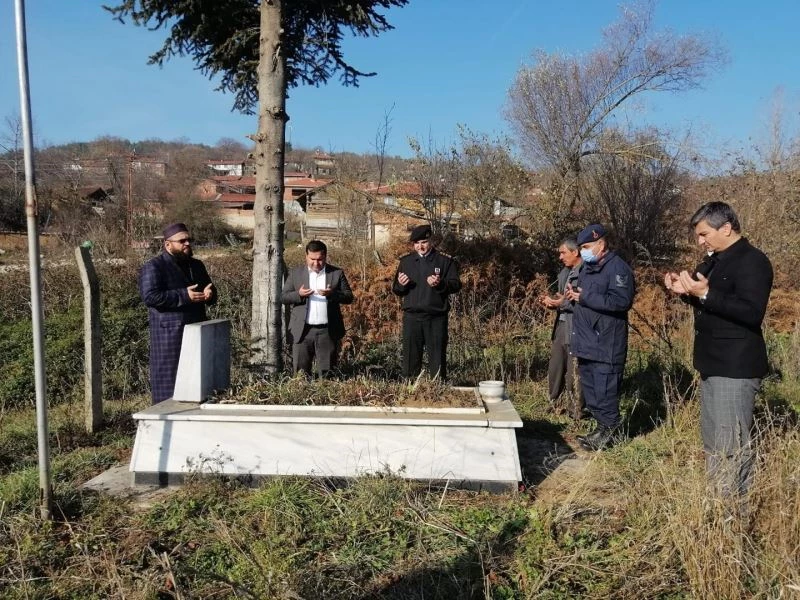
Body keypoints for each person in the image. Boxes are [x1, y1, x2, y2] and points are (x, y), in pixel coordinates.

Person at [664, 201, 773, 496]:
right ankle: (716, 501)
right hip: (710, 363)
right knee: (713, 442)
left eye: (704, 234)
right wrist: (684, 292)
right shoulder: (714, 261)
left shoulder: (753, 261)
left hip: (734, 367)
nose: (700, 242)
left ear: (726, 227)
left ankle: (733, 511)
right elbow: (707, 302)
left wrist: (706, 292)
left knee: (731, 445)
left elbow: (751, 312)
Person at [566, 224, 635, 451]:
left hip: (606, 343)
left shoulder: (618, 269)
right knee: (592, 391)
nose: (583, 251)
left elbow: (621, 301)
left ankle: (611, 433)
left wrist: (585, 296)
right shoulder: (587, 268)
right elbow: (585, 298)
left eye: (586, 247)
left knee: (606, 391)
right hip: (586, 341)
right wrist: (575, 295)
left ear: (601, 245)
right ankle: (600, 429)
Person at [139, 222, 217, 404]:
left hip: (197, 331)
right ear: (168, 244)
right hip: (169, 337)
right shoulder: (154, 267)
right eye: (182, 241)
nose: (187, 244)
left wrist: (209, 294)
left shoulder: (197, 265)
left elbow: (210, 288)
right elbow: (150, 296)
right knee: (169, 389)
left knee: (197, 384)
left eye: (189, 240)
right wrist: (184, 295)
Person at [392, 224, 462, 380]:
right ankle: (410, 391)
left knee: (437, 358)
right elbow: (396, 289)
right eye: (416, 243)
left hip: (436, 317)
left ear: (431, 241)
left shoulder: (444, 261)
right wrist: (401, 285)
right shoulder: (406, 261)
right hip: (412, 318)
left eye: (423, 242)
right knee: (410, 359)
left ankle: (437, 391)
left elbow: (456, 284)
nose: (420, 246)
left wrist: (440, 284)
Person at [281, 240, 354, 377]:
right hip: (302, 331)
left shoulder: (336, 273)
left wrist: (333, 294)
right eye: (312, 259)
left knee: (327, 375)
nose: (316, 263)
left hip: (327, 331)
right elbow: (283, 297)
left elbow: (349, 297)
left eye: (320, 259)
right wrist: (299, 295)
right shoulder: (296, 273)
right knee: (301, 375)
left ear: (325, 256)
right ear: (306, 256)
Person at [539, 237, 584, 418]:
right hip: (562, 324)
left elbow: (583, 301)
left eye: (563, 252)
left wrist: (561, 303)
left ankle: (576, 410)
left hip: (578, 327)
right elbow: (563, 297)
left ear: (576, 252)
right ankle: (554, 403)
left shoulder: (587, 272)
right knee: (556, 366)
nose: (560, 257)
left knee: (574, 370)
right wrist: (552, 302)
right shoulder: (564, 272)